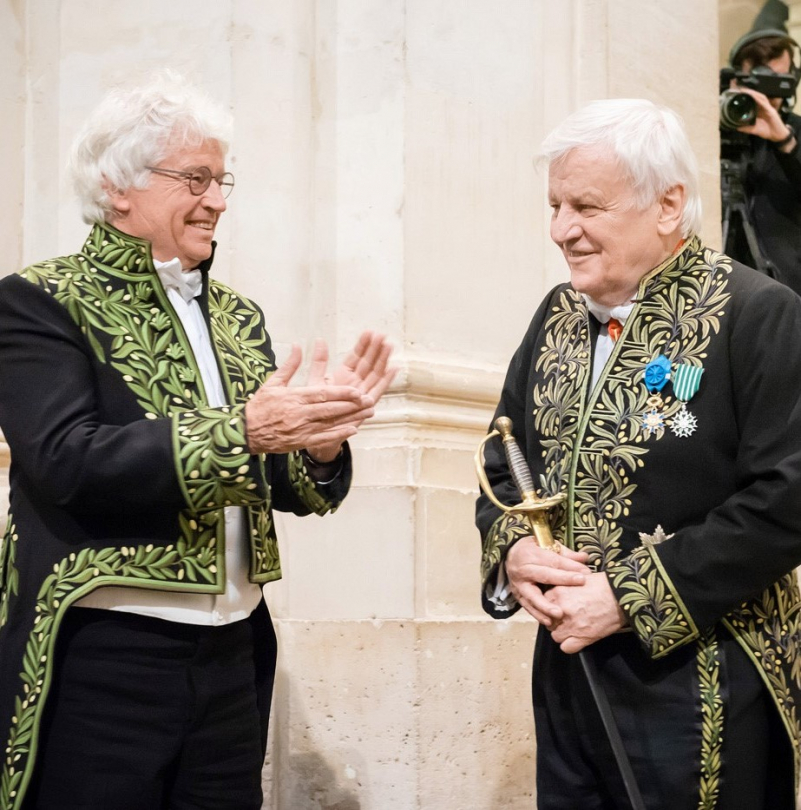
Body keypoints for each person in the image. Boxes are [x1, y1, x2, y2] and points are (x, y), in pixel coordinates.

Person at [0, 74, 395, 810]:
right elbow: (65, 459)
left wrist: (319, 444)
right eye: (196, 178)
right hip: (105, 654)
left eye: (222, 180)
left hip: (231, 654)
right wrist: (241, 431)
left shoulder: (238, 316)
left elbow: (282, 486)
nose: (218, 199)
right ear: (119, 187)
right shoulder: (39, 301)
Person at [476, 98, 801, 809]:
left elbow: (786, 499)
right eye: (555, 205)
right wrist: (512, 554)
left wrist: (627, 598)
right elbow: (504, 458)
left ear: (667, 205)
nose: (561, 230)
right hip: (567, 674)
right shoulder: (554, 316)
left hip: (703, 681)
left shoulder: (755, 312)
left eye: (585, 206)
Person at [721, 0, 801, 294]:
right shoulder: (716, 123)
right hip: (725, 283)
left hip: (787, 286)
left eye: (778, 81)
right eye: (761, 79)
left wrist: (785, 141)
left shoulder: (796, 130)